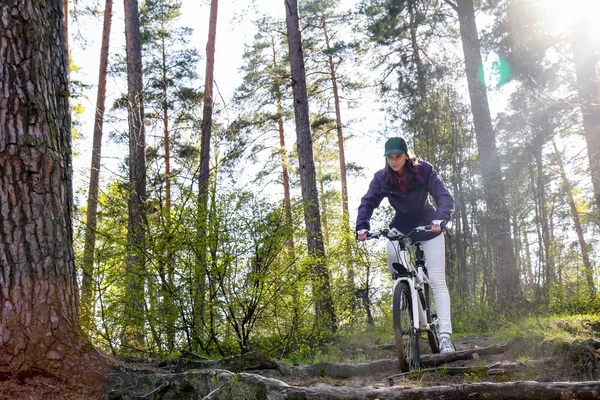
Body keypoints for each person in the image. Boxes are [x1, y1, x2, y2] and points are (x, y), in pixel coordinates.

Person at [356, 137, 456, 353]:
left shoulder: (424, 171)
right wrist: (362, 226)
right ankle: (403, 290)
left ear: (406, 155)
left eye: (398, 156)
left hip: (429, 225)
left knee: (438, 280)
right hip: (401, 224)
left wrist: (441, 219)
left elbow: (443, 195)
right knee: (391, 248)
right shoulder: (382, 178)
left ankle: (446, 337)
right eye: (390, 157)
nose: (394, 161)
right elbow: (368, 202)